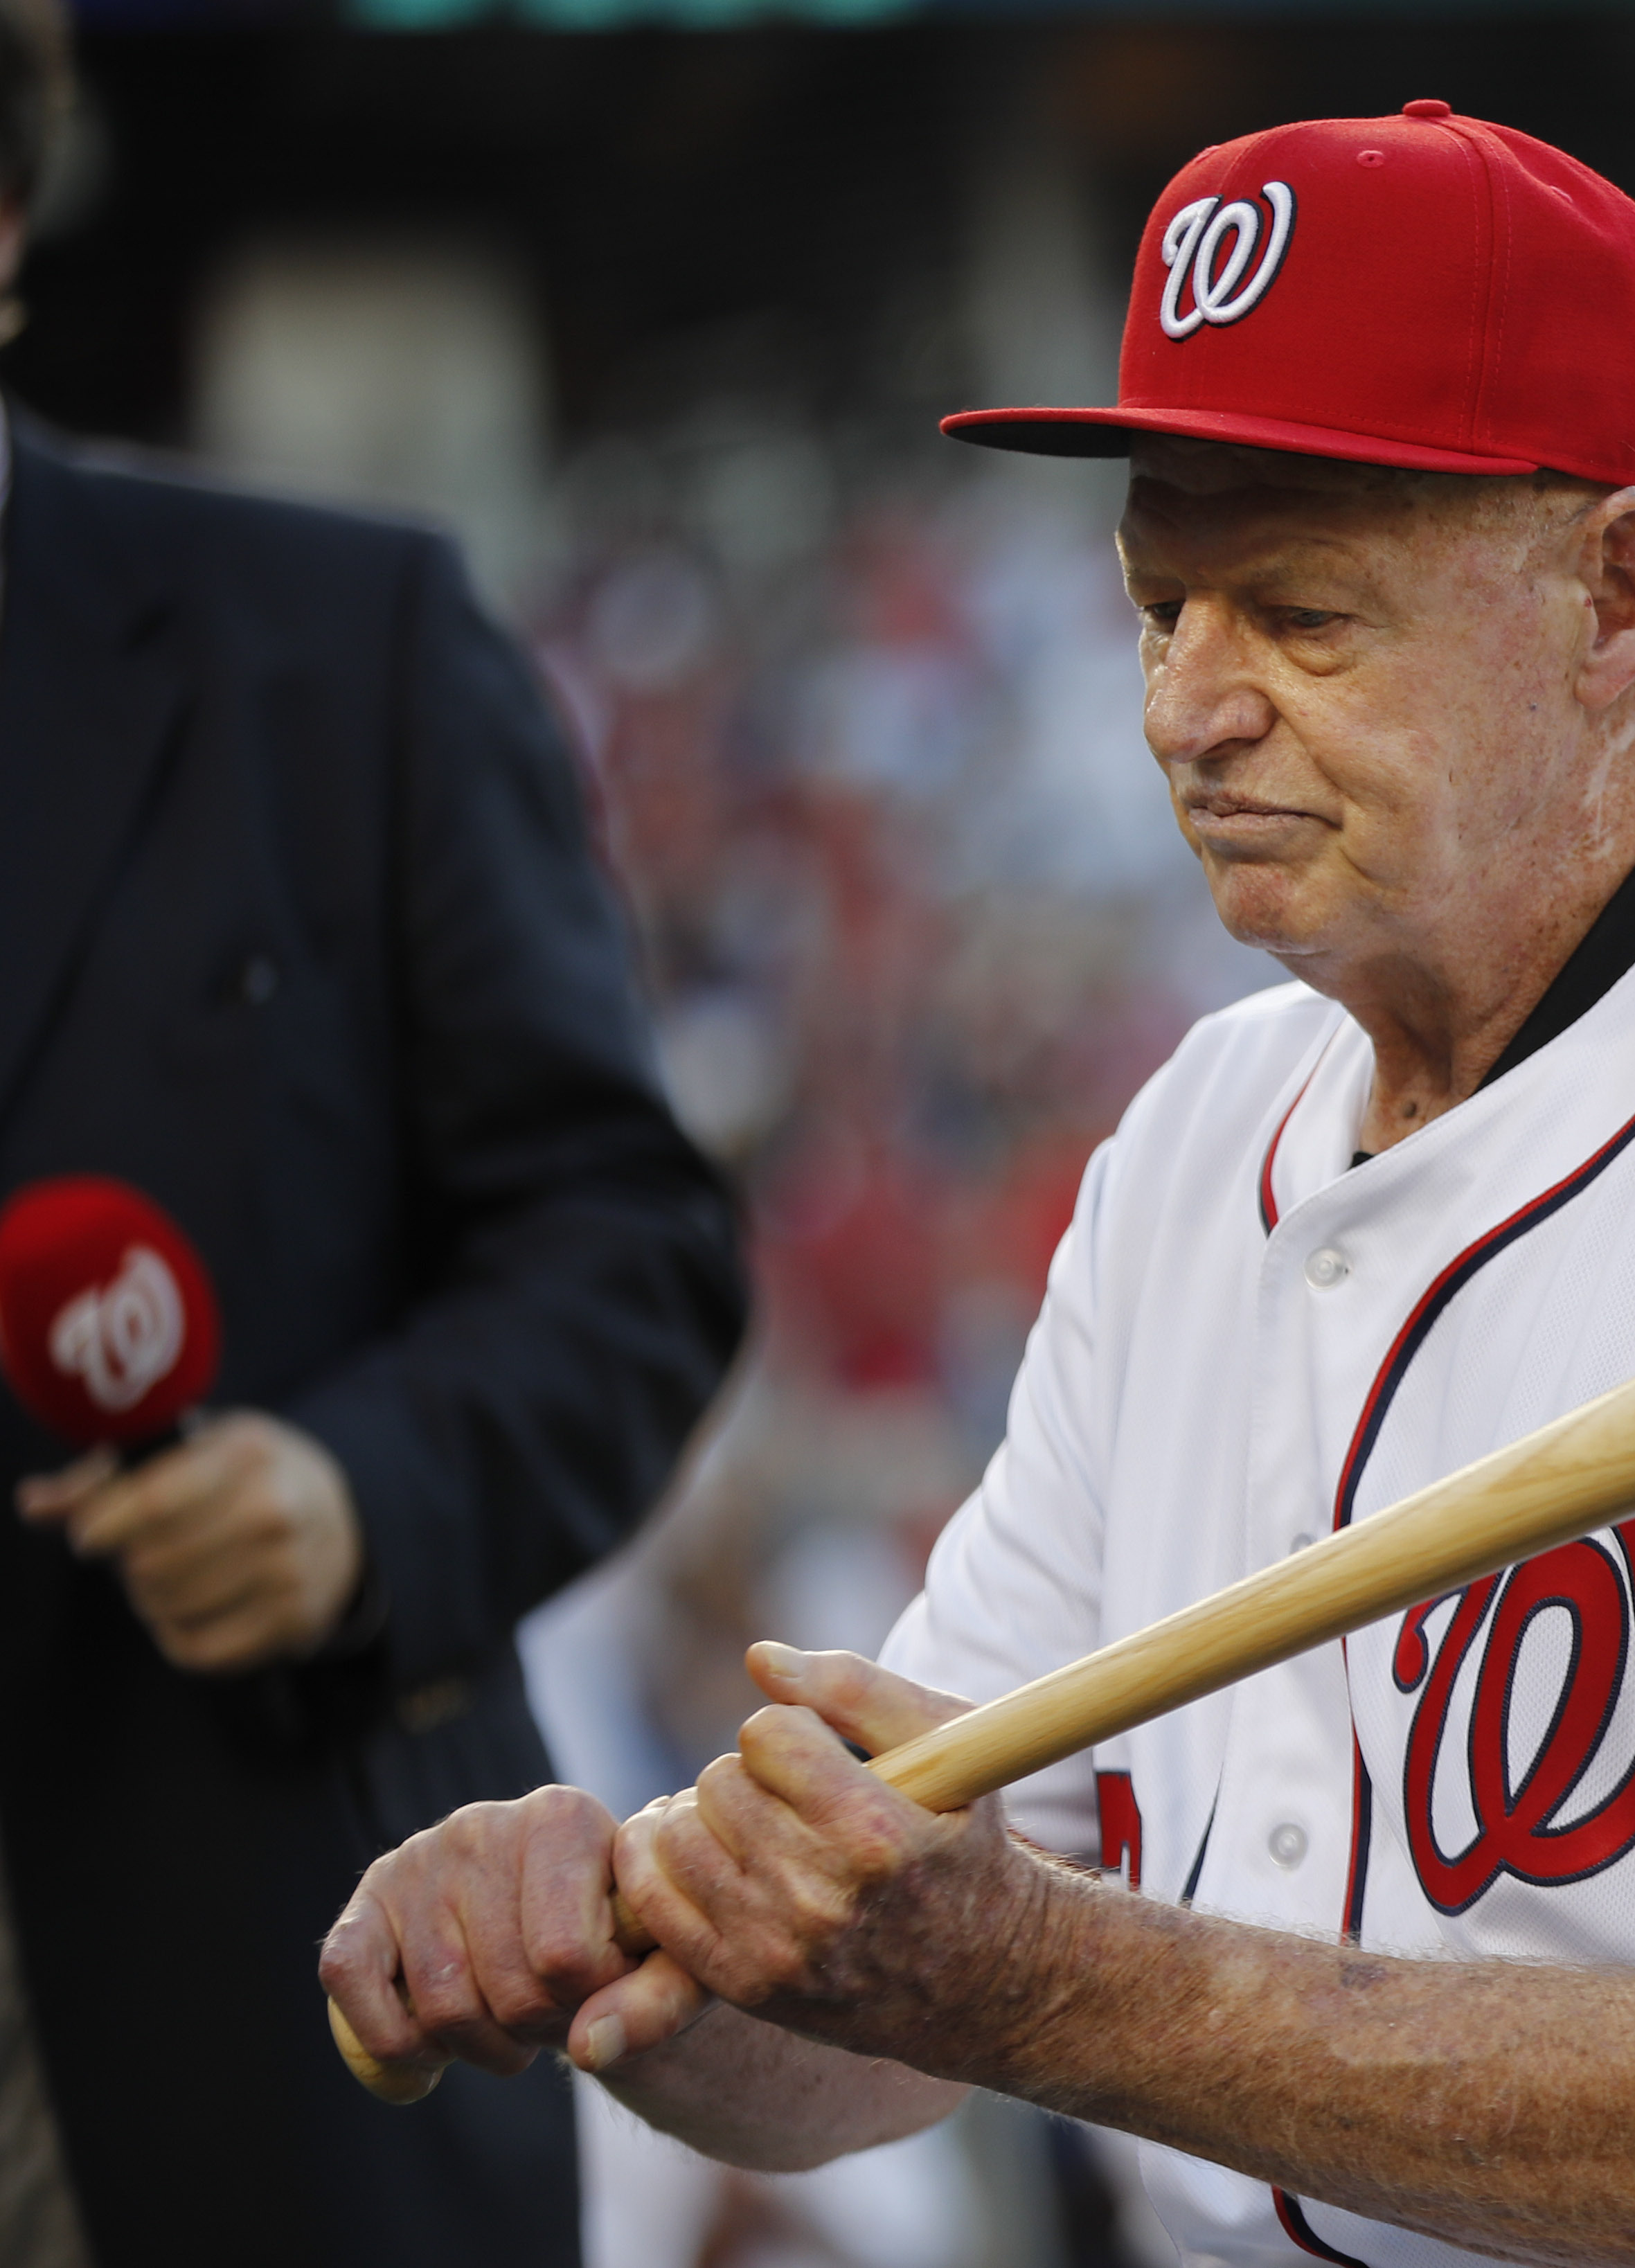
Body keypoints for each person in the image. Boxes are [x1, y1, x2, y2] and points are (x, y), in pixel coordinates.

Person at [325, 103, 1635, 2268]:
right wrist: (643, 1961)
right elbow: (892, 2005)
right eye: (1160, 600)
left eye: (1298, 611)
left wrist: (1033, 1974)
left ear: (1623, 590)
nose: (1188, 707)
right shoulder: (1202, 1135)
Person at [0, 3, 749, 2260]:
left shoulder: (337, 646)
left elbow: (630, 1246)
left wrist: (353, 1495)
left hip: (235, 2004)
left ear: (8, 217)